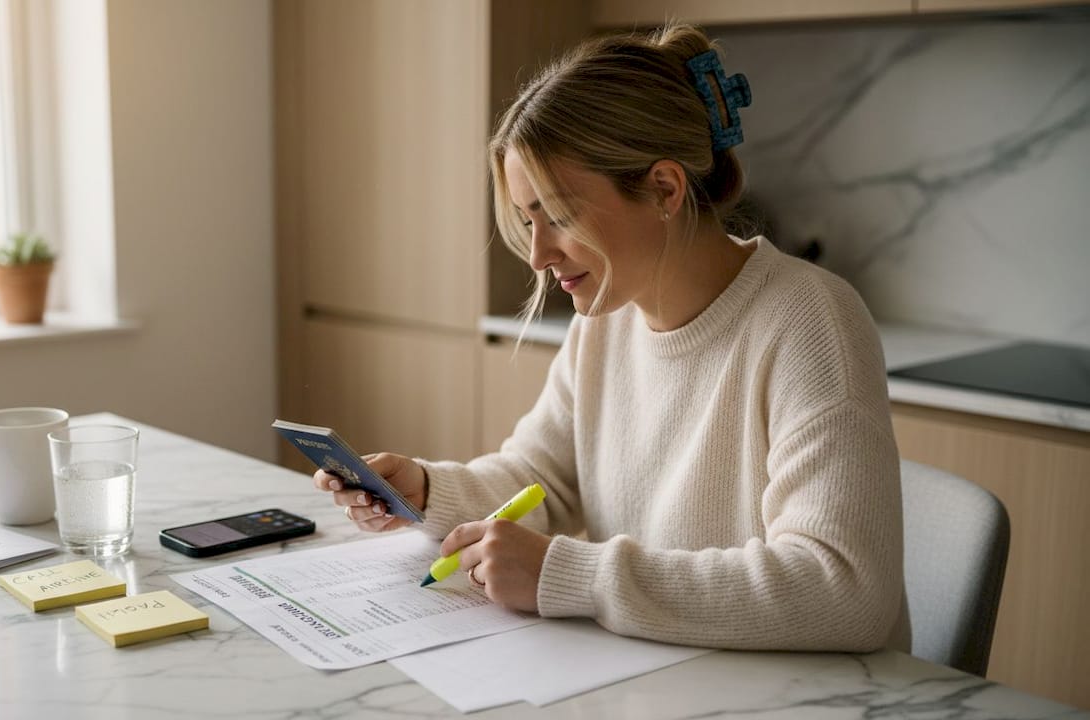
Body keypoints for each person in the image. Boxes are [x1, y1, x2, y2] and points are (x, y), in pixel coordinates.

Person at [313, 22, 909, 653]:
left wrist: (572, 576)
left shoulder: (810, 322)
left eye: (560, 216)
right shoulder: (606, 321)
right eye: (527, 220)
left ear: (663, 189)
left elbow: (843, 591)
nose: (539, 255)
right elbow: (540, 479)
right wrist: (428, 490)